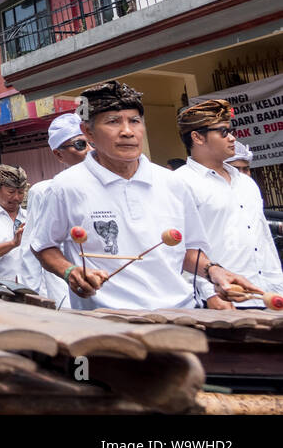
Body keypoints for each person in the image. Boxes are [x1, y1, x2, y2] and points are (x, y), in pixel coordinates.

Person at [27, 80, 259, 310]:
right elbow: (43, 246)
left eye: (135, 121)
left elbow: (190, 251)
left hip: (181, 313)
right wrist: (70, 271)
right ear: (88, 132)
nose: (127, 131)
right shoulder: (66, 186)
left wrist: (215, 271)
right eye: (113, 122)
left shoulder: (173, 183)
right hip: (105, 321)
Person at [173, 100, 283, 308]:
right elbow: (182, 248)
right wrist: (210, 294)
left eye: (231, 131)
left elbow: (264, 239)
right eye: (223, 132)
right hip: (224, 298)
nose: (232, 138)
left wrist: (278, 285)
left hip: (268, 293)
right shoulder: (180, 182)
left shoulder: (246, 182)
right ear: (197, 137)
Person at [25, 111, 91, 304]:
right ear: (59, 154)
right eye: (80, 144)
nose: (88, 150)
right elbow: (33, 246)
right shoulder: (46, 191)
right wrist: (32, 293)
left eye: (91, 143)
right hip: (64, 285)